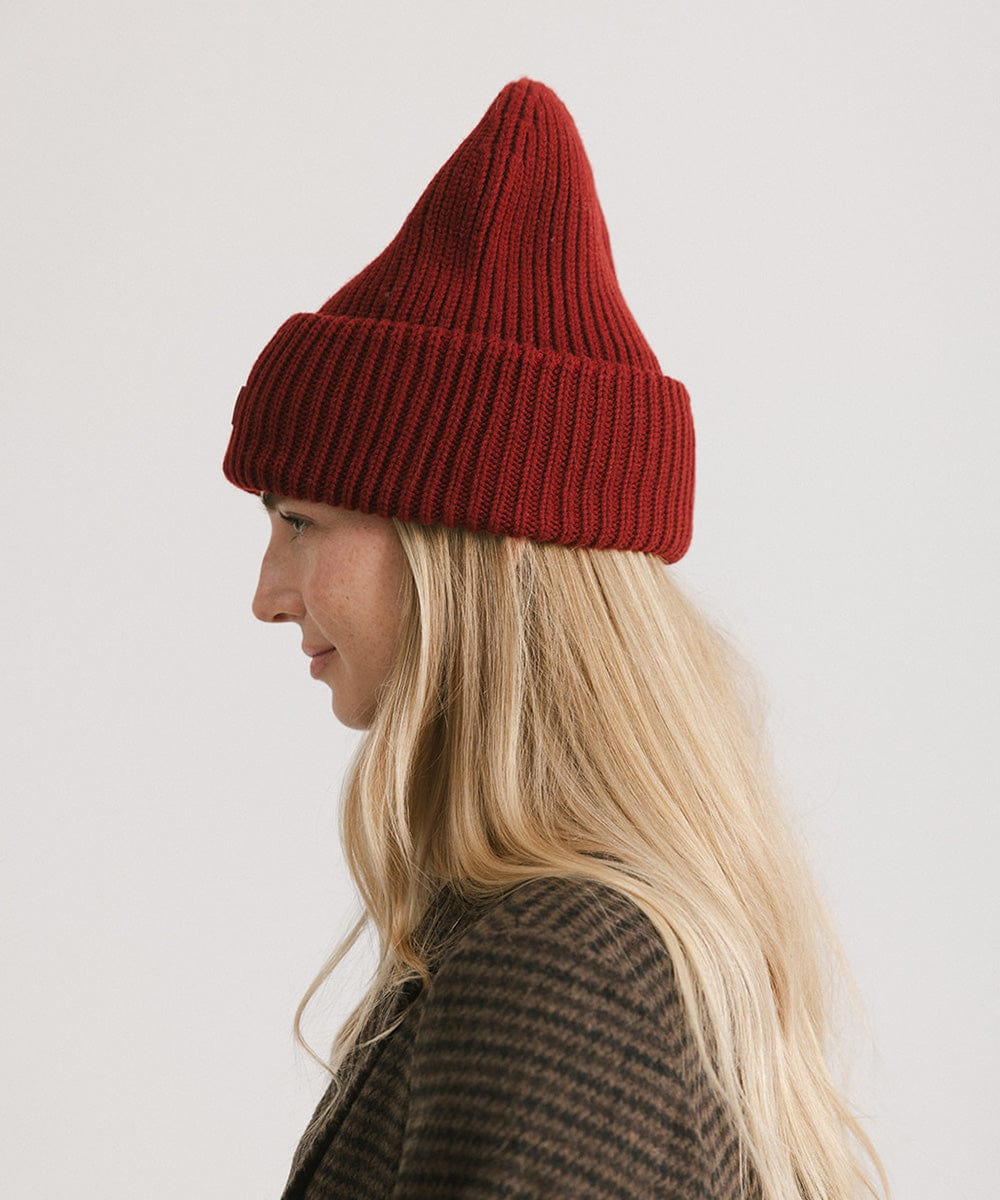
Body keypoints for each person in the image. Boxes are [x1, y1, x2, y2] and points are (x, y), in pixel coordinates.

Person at [224, 79, 888, 1200]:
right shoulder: (567, 943)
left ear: (459, 548)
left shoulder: (558, 970)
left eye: (300, 521)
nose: (267, 594)